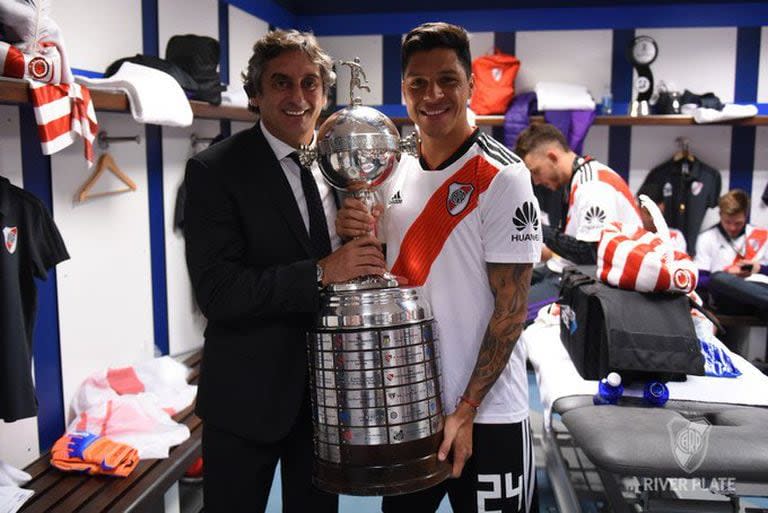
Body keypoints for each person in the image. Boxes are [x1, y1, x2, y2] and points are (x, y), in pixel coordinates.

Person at [337, 22, 540, 513]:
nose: (433, 95)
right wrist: (355, 230)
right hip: (412, 409)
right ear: (403, 91)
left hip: (488, 413)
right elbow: (383, 272)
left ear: (470, 84)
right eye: (417, 83)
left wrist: (467, 410)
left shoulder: (504, 175)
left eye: (447, 79)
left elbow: (511, 312)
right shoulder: (392, 168)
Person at [183, 29, 387, 513]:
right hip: (246, 398)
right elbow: (218, 293)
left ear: (324, 92)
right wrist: (320, 271)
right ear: (255, 93)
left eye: (310, 83)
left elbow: (350, 271)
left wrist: (363, 237)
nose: (298, 97)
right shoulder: (214, 171)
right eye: (281, 83)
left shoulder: (341, 163)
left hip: (325, 396)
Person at [514, 123, 641, 267]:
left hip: (610, 280)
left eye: (535, 171)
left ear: (552, 157)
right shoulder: (578, 180)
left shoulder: (592, 186)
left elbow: (593, 255)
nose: (536, 182)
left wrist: (538, 229)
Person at [695, 189, 768, 317]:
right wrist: (728, 274)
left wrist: (759, 268)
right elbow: (699, 280)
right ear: (720, 215)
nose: (732, 228)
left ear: (746, 215)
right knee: (718, 278)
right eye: (727, 222)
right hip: (727, 299)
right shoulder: (707, 238)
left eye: (738, 223)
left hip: (758, 298)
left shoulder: (761, 236)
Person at [636, 180, 687, 253]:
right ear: (638, 209)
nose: (652, 219)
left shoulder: (675, 237)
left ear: (663, 209)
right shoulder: (630, 234)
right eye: (648, 213)